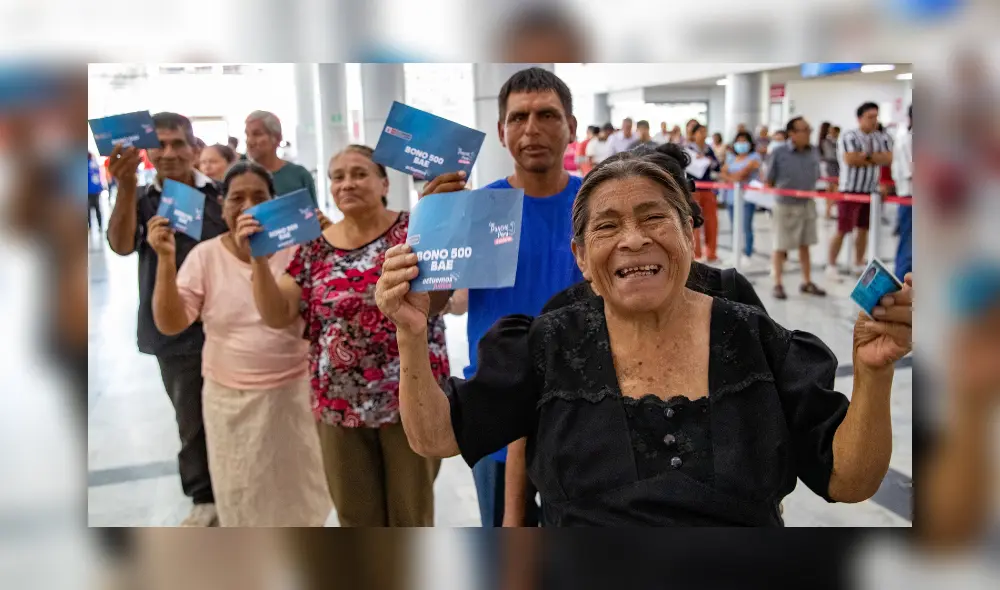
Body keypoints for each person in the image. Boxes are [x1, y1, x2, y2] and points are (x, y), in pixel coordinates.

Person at [377, 152, 914, 527]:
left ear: (689, 237)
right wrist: (411, 334)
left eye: (654, 217)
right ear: (582, 257)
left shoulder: (752, 337)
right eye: (607, 226)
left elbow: (849, 480)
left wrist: (873, 372)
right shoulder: (551, 342)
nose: (634, 239)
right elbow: (435, 437)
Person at [249, 144, 450, 527]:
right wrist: (258, 262)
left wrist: (442, 220)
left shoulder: (414, 232)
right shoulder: (314, 246)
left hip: (411, 399)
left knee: (412, 515)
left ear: (384, 183)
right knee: (356, 518)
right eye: (337, 177)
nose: (347, 184)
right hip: (338, 405)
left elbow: (438, 301)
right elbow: (279, 313)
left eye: (359, 173)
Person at [421, 67, 585, 528]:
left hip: (579, 404)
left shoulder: (594, 205)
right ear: (501, 131)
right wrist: (435, 228)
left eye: (547, 115)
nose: (531, 129)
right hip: (496, 404)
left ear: (571, 126)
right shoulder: (478, 211)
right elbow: (434, 305)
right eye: (518, 118)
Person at [148, 161, 332, 526]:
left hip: (294, 393)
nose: (248, 206)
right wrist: (165, 260)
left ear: (275, 202)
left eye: (259, 197)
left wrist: (332, 242)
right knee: (242, 492)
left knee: (301, 491)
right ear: (222, 206)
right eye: (237, 198)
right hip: (230, 399)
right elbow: (171, 322)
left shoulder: (299, 249)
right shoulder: (205, 256)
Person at [106, 112, 226, 527]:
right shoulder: (141, 199)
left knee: (237, 412)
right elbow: (121, 245)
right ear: (147, 152)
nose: (169, 152)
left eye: (178, 143)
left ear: (195, 148)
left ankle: (238, 484)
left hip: (228, 325)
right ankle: (204, 496)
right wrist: (125, 187)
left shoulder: (221, 194)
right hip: (174, 332)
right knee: (191, 419)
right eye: (160, 144)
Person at [829, 102, 893, 282]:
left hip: (870, 191)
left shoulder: (880, 137)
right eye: (870, 117)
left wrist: (866, 156)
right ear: (860, 118)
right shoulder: (849, 135)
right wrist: (874, 158)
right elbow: (850, 159)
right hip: (850, 190)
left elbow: (888, 158)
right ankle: (831, 265)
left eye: (876, 116)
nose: (874, 120)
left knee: (863, 229)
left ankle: (858, 262)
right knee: (843, 229)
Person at [766, 117, 827, 300]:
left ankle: (807, 282)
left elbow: (817, 175)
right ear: (792, 133)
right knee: (780, 245)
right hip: (785, 205)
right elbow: (769, 179)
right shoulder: (779, 152)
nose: (808, 133)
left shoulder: (813, 151)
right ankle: (777, 283)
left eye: (809, 129)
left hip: (807, 203)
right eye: (804, 130)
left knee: (805, 244)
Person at [245, 110, 318, 207]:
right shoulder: (241, 177)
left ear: (277, 138)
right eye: (247, 134)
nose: (249, 141)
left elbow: (313, 213)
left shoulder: (299, 175)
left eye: (257, 134)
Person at [718, 131, 761, 267]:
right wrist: (734, 179)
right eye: (739, 141)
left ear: (750, 143)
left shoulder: (754, 157)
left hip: (746, 198)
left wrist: (731, 177)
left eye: (744, 141)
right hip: (731, 197)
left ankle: (747, 253)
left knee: (746, 226)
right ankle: (735, 252)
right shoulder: (731, 158)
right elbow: (722, 173)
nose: (741, 144)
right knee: (734, 226)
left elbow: (743, 174)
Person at [685, 123, 721, 262]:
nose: (703, 134)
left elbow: (717, 166)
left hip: (708, 189)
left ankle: (711, 253)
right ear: (694, 134)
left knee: (711, 221)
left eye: (705, 131)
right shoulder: (688, 149)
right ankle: (696, 254)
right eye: (700, 131)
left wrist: (709, 160)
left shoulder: (708, 149)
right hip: (693, 190)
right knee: (694, 222)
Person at [892, 105, 912, 278]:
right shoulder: (907, 140)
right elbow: (912, 170)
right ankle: (902, 281)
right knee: (909, 244)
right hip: (910, 198)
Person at [818, 122, 840, 219]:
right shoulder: (826, 142)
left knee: (831, 188)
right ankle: (828, 211)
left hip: (833, 166)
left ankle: (828, 211)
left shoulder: (830, 141)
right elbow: (831, 155)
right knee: (833, 188)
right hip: (831, 166)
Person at [88, 152, 104, 233]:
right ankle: (100, 226)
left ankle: (90, 226)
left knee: (88, 210)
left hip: (88, 190)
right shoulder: (95, 164)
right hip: (96, 190)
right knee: (97, 208)